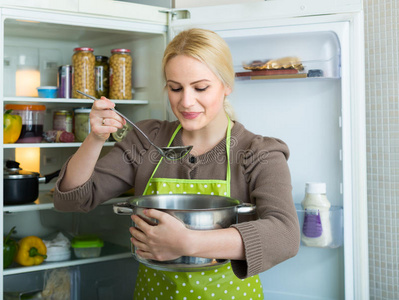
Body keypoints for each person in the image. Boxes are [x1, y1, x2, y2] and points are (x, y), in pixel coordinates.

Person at [54, 28, 300, 300]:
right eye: (175, 88)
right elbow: (72, 201)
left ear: (226, 85)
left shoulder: (258, 152)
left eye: (200, 87)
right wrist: (96, 138)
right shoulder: (148, 141)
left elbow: (285, 235)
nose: (186, 101)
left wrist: (188, 243)